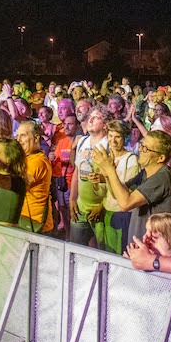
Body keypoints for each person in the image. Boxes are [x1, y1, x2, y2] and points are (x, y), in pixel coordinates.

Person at [91, 129, 171, 243]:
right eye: (142, 145)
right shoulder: (145, 173)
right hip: (140, 243)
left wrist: (110, 170)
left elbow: (125, 204)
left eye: (146, 148)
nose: (140, 150)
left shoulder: (162, 177)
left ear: (161, 158)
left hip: (154, 248)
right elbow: (118, 196)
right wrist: (107, 175)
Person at [68, 106, 109, 247]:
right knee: (76, 249)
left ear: (105, 124)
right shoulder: (82, 142)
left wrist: (103, 205)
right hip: (80, 207)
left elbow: (114, 178)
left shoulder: (109, 144)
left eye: (96, 117)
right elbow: (77, 171)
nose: (90, 119)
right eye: (90, 116)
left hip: (100, 208)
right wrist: (72, 198)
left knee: (103, 251)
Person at [98, 120, 139, 253]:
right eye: (110, 136)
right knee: (107, 251)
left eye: (117, 137)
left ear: (124, 138)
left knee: (121, 253)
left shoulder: (131, 159)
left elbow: (124, 192)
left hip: (123, 214)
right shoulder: (106, 158)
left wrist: (108, 176)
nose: (113, 141)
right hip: (107, 211)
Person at [15, 120, 54, 234]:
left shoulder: (37, 161)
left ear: (36, 138)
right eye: (17, 136)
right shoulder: (27, 158)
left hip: (35, 225)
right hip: (26, 221)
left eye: (23, 135)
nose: (18, 140)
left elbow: (18, 186)